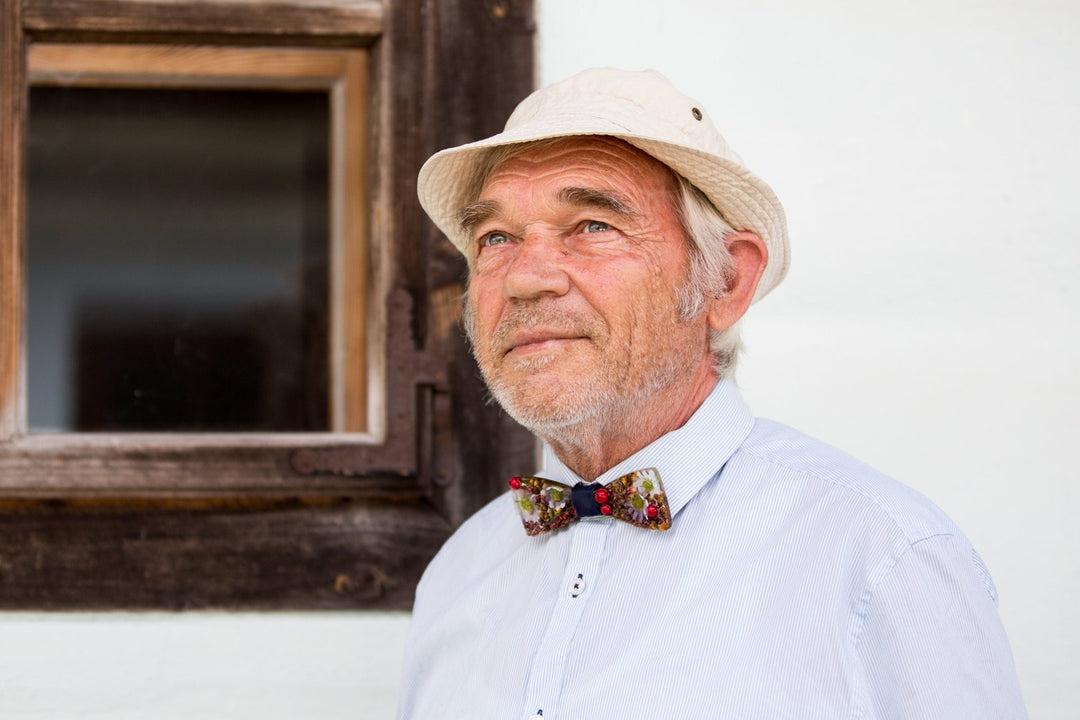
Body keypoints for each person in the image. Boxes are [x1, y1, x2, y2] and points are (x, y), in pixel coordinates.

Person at [397, 68, 1026, 719]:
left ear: (725, 281)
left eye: (592, 226)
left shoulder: (883, 558)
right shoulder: (458, 573)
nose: (526, 279)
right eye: (496, 238)